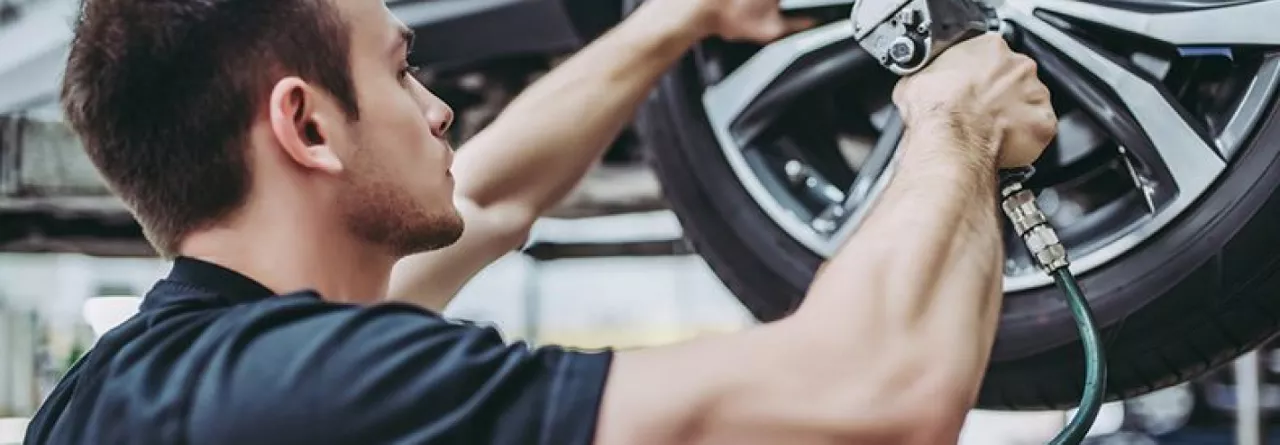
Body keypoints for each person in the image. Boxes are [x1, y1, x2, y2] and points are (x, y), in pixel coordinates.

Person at [24, 0, 1056, 442]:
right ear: (305, 125)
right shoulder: (296, 393)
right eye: (399, 69)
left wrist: (674, 19)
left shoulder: (159, 379)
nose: (437, 108)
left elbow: (492, 197)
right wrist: (953, 117)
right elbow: (872, 393)